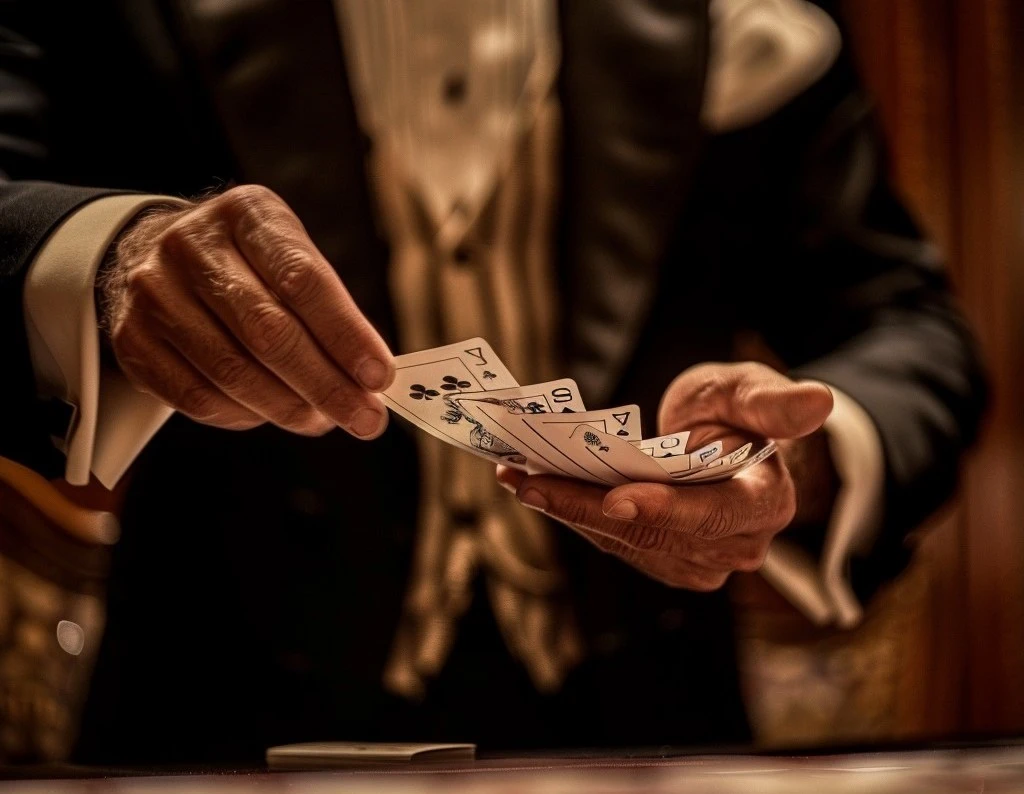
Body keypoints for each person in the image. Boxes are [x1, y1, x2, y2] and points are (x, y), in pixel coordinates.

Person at [0, 0, 985, 763]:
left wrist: (793, 454)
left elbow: (906, 322)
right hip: (212, 703)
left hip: (646, 722)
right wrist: (106, 255)